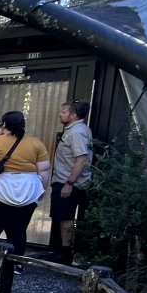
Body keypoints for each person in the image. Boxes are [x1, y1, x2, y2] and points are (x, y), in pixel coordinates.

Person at [0, 112, 50, 293]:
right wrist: (42, 190)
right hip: (26, 189)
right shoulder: (36, 143)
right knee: (18, 229)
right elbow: (44, 169)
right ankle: (18, 263)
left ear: (4, 123)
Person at [47, 100, 93, 265]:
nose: (60, 114)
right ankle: (60, 252)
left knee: (65, 217)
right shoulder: (75, 130)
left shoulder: (77, 132)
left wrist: (69, 183)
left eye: (64, 112)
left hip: (69, 181)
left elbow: (81, 160)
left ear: (73, 115)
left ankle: (65, 255)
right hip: (65, 179)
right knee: (61, 216)